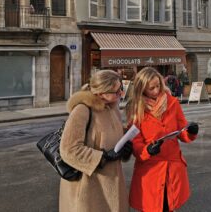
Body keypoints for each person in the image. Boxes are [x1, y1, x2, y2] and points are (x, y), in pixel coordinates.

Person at [126, 67, 199, 212]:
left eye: (158, 86)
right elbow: (135, 141)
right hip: (150, 170)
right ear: (141, 89)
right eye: (151, 88)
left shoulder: (172, 102)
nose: (155, 91)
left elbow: (181, 130)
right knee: (153, 207)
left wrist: (190, 132)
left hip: (173, 168)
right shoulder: (136, 108)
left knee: (170, 206)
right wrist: (147, 150)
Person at [59, 70, 133, 212]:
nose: (120, 94)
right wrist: (102, 157)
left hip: (112, 183)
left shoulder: (112, 107)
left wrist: (125, 148)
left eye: (121, 89)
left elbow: (113, 135)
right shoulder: (82, 110)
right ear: (101, 92)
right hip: (89, 188)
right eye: (116, 91)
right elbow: (69, 149)